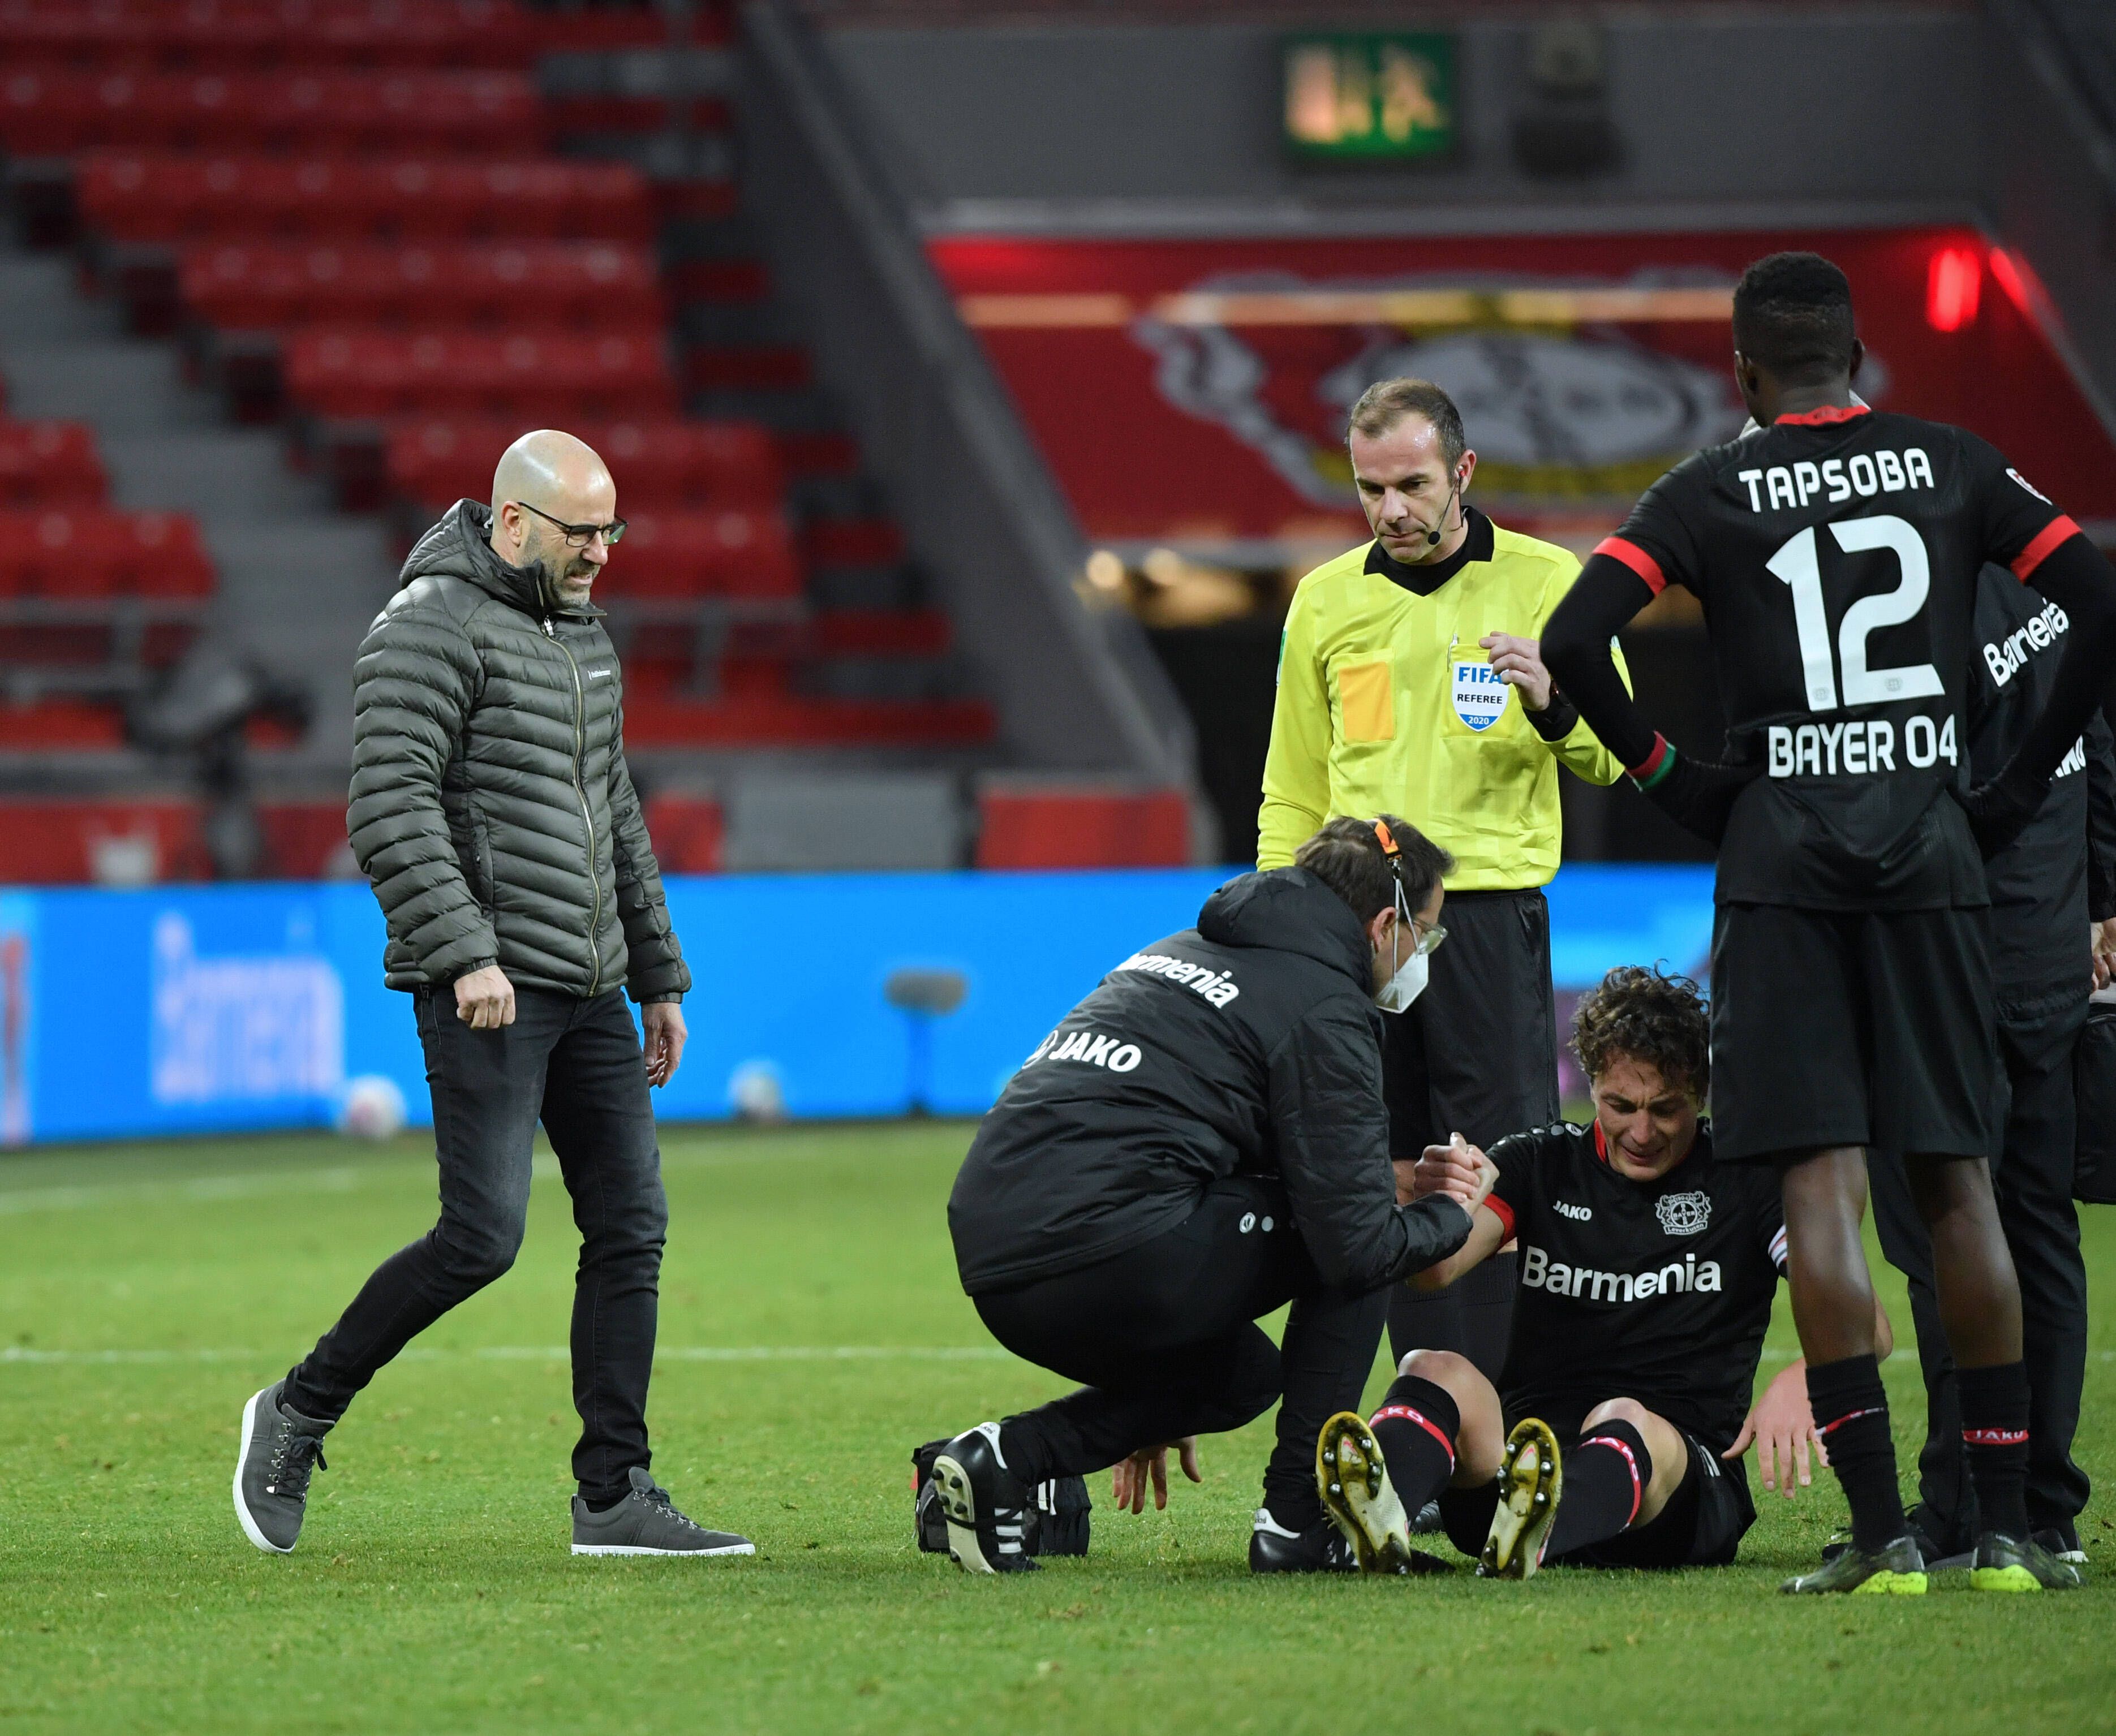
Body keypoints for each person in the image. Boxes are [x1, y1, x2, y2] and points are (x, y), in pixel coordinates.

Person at [1540, 250, 2116, 1592]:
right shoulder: (1954, 463)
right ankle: (2010, 1532)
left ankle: (1880, 1535)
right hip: (1930, 852)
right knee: (1959, 1180)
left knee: (1820, 1182)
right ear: (1854, 360)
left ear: (1742, 375)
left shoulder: (1707, 488)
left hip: (1783, 858)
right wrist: (2011, 780)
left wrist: (1679, 782)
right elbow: (2092, 596)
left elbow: (1575, 638)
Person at [233, 430, 751, 1561]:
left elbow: (616, 816)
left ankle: (613, 1492)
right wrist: (467, 950)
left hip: (595, 986)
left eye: (613, 531)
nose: (601, 554)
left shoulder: (581, 637)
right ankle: (300, 1407)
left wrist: (657, 974)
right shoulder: (427, 623)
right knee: (481, 1238)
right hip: (488, 987)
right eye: (582, 532)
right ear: (513, 522)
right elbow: (387, 805)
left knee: (631, 1225)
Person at [932, 816, 1491, 1574]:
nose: (1418, 957)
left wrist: (1170, 1366)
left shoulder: (1177, 950)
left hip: (998, 1258)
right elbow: (1355, 1242)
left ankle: (1003, 1459)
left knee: (1239, 1377)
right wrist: (1451, 1214)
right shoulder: (1324, 1001)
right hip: (1113, 1250)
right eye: (1423, 937)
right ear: (1385, 922)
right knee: (1362, 1236)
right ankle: (1299, 1523)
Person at [1258, 378, 1628, 1388]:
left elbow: (1617, 754)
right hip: (1350, 930)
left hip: (1483, 921)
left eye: (1412, 483)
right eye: (1371, 488)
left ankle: (1494, 1419)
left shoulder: (1552, 585)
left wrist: (1555, 702)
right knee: (1370, 1169)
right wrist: (1280, 928)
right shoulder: (1326, 599)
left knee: (1489, 1174)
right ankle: (1422, 1412)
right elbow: (1293, 786)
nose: (1391, 510)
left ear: (1462, 471)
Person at [1318, 966, 1883, 1576]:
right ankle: (1377, 1530)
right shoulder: (1539, 1163)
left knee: (1620, 1416)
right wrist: (1442, 1205)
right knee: (1431, 1367)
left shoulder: (1743, 1181)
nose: (1640, 1132)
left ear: (1698, 1092)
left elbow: (1871, 1328)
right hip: (1522, 1468)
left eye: (1664, 1109)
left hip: (1675, 1487)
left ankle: (1537, 1530)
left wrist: (1802, 1378)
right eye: (1619, 1106)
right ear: (1588, 1086)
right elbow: (1434, 1273)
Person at [1864, 563, 2116, 1565]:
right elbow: (2096, 743)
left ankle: (1962, 1502)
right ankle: (2044, 1504)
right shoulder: (2046, 596)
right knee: (2040, 1228)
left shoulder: (1881, 609)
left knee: (1940, 1234)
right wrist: (2101, 892)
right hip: (2046, 952)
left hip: (1939, 963)